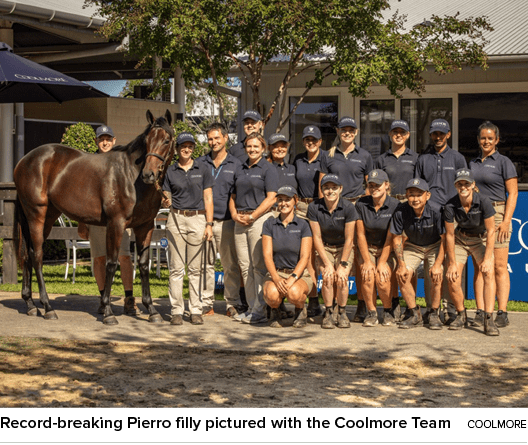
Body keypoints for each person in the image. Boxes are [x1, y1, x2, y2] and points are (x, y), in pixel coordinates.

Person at [78, 125, 137, 315]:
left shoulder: (123, 161)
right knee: (99, 258)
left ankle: (129, 298)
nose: (104, 142)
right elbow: (82, 194)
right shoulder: (90, 163)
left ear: (114, 140)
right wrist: (81, 221)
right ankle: (104, 298)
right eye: (101, 139)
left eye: (108, 139)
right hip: (96, 219)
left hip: (119, 219)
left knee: (124, 257)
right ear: (96, 141)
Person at [319, 116, 373, 323]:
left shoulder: (365, 155)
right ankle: (329, 307)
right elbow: (322, 182)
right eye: (343, 129)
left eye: (351, 129)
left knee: (359, 257)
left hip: (356, 207)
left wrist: (364, 204)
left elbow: (370, 184)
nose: (347, 133)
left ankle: (361, 303)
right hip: (334, 205)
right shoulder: (328, 155)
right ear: (338, 131)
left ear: (356, 132)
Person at [415, 119, 467, 323]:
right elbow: (418, 187)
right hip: (431, 214)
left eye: (441, 134)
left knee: (451, 262)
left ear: (448, 135)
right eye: (434, 133)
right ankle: (432, 308)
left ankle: (452, 308)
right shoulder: (423, 158)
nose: (438, 137)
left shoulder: (458, 158)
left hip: (452, 215)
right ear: (430, 135)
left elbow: (465, 186)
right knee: (432, 263)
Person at [162, 132, 214, 326]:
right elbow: (166, 194)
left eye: (190, 146)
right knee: (176, 268)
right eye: (183, 146)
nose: (186, 149)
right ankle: (176, 310)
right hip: (176, 218)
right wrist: (164, 198)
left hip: (198, 219)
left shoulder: (204, 169)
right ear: (177, 149)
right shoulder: (170, 171)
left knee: (195, 268)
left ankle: (195, 309)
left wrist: (209, 224)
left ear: (193, 148)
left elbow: (208, 198)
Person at [469, 121, 518, 328]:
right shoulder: (472, 163)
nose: (486, 141)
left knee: (498, 266)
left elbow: (513, 192)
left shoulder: (504, 162)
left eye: (490, 138)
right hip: (477, 216)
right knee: (479, 267)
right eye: (483, 138)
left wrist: (506, 221)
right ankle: (481, 311)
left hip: (498, 215)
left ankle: (502, 311)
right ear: (478, 140)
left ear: (497, 140)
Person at [229, 132, 279, 324]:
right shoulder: (239, 168)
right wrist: (234, 215)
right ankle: (251, 308)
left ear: (263, 148)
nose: (252, 149)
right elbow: (232, 197)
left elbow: (272, 197)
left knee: (258, 266)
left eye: (256, 146)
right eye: (249, 146)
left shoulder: (268, 168)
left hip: (258, 219)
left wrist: (253, 216)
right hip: (240, 220)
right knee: (245, 266)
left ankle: (260, 309)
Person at [196, 123, 243, 317]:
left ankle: (232, 302)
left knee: (230, 264)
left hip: (226, 222)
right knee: (205, 264)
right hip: (204, 222)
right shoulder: (200, 163)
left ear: (225, 138)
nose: (213, 142)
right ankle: (206, 302)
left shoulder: (236, 164)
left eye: (217, 138)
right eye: (210, 139)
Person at [443, 169, 498, 335]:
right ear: (455, 186)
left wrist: (488, 258)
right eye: (460, 183)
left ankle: (489, 318)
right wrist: (451, 263)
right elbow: (450, 235)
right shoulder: (450, 204)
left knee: (488, 273)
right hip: (460, 239)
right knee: (452, 277)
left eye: (466, 183)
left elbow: (491, 231)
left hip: (480, 240)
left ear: (473, 185)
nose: (463, 186)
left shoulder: (484, 201)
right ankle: (461, 314)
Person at [390, 178, 445, 329]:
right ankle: (414, 313)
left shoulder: (437, 210)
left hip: (435, 245)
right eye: (411, 194)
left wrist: (438, 265)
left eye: (419, 194)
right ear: (406, 196)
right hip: (413, 246)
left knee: (436, 275)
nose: (415, 199)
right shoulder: (401, 210)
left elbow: (445, 240)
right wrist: (401, 265)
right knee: (403, 274)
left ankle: (434, 312)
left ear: (427, 195)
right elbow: (396, 239)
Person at [307, 174, 358, 329]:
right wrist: (327, 264)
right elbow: (316, 237)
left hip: (344, 247)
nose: (330, 191)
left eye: (334, 188)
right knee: (328, 277)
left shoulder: (349, 207)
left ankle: (341, 312)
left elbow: (350, 239)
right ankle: (328, 312)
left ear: (340, 189)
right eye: (326, 188)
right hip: (325, 247)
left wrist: (343, 264)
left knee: (342, 277)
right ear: (321, 190)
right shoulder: (314, 207)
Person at [262, 186, 313, 328]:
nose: (283, 203)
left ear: (295, 201)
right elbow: (267, 255)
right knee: (271, 295)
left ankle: (300, 310)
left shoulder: (303, 225)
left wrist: (293, 277)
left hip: (299, 274)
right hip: (276, 272)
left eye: (287, 199)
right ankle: (275, 310)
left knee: (294, 293)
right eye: (280, 200)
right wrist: (276, 278)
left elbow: (305, 256)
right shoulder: (269, 224)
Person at [355, 170, 400, 327]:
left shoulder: (395, 205)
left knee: (382, 277)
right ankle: (371, 312)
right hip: (367, 248)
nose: (374, 188)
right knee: (367, 275)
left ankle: (387, 310)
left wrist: (382, 262)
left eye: (378, 185)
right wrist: (367, 261)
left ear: (386, 185)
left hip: (388, 248)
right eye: (371, 185)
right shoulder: (361, 204)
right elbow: (360, 235)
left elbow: (391, 237)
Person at [293, 125, 327, 317]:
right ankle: (312, 300)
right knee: (304, 255)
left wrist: (321, 209)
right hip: (300, 207)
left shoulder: (325, 159)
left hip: (318, 206)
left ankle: (327, 300)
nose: (311, 143)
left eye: (314, 139)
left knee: (318, 255)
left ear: (320, 142)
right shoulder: (298, 159)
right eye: (307, 139)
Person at [375, 120, 419, 200]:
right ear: (390, 134)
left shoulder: (415, 158)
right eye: (395, 132)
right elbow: (377, 184)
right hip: (388, 201)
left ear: (408, 135)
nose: (398, 135)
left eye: (402, 132)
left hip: (408, 201)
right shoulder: (381, 159)